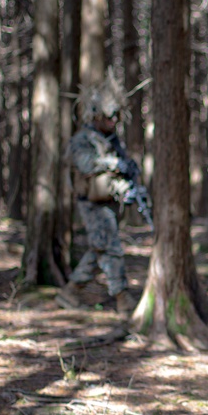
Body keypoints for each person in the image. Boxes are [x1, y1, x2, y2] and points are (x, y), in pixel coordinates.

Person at [56, 73, 143, 317]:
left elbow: (123, 164)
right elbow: (85, 164)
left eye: (116, 116)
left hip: (108, 201)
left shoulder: (112, 140)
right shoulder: (83, 139)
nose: (114, 120)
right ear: (96, 114)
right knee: (110, 247)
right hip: (91, 203)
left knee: (99, 248)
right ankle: (122, 297)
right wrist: (112, 163)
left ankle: (71, 291)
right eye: (109, 116)